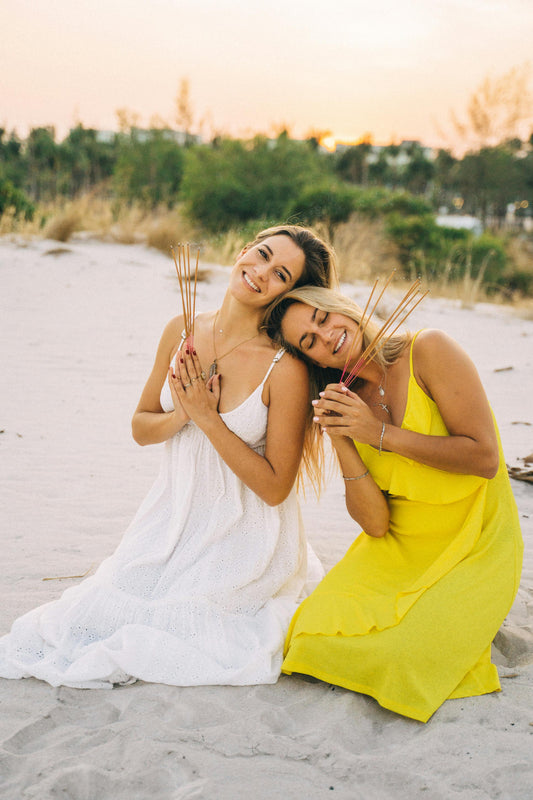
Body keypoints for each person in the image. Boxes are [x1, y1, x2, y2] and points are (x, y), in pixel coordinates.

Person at [0, 225, 336, 689]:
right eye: (260, 255)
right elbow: (141, 426)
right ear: (242, 249)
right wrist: (182, 414)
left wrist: (207, 416)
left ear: (288, 294)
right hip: (170, 521)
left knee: (188, 628)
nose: (259, 272)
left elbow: (277, 487)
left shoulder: (285, 367)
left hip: (244, 537)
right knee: (96, 613)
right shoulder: (182, 328)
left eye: (279, 274)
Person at [264, 285, 523, 722]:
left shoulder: (430, 349)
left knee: (403, 658)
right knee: (306, 639)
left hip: (473, 537)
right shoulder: (346, 402)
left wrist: (378, 434)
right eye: (309, 341)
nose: (326, 336)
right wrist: (342, 439)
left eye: (323, 318)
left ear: (343, 308)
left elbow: (483, 458)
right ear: (316, 362)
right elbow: (377, 525)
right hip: (400, 544)